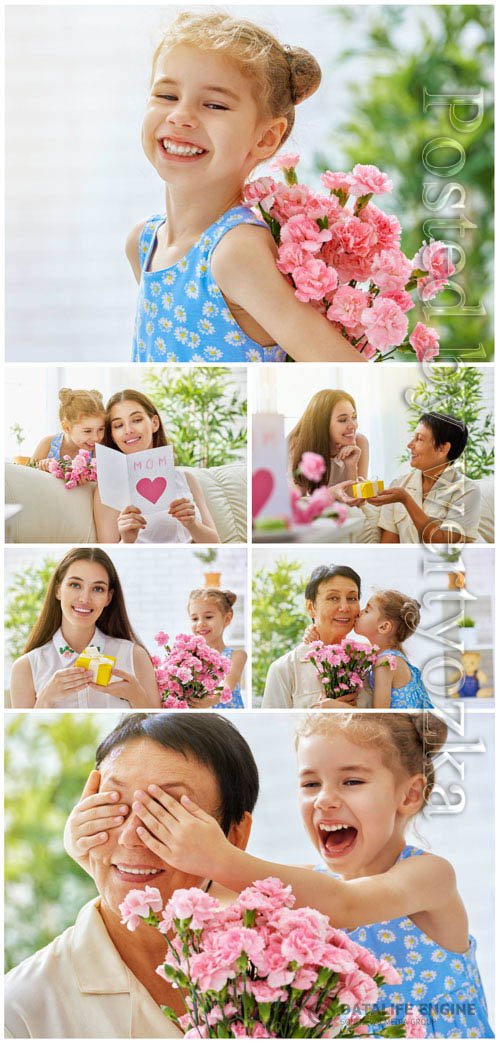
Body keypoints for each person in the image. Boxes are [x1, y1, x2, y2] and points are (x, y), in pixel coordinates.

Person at [115, 712, 494, 1039]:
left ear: (409, 795)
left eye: (352, 781)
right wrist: (98, 855)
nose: (324, 799)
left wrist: (217, 856)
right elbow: (192, 892)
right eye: (311, 783)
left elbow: (346, 904)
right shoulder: (305, 886)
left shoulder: (430, 875)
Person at [127, 11, 365, 365]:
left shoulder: (235, 251)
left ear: (266, 137)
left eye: (214, 105)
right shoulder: (143, 243)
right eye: (166, 95)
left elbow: (344, 367)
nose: (180, 116)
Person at [4, 713, 259, 1039]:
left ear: (235, 836)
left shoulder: (283, 955)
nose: (129, 837)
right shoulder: (21, 1009)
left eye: (164, 812)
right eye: (113, 806)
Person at [9, 548, 159, 709]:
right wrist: (46, 699)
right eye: (75, 585)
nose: (85, 598)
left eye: (98, 589)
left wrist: (136, 696)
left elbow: (156, 727)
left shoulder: (134, 656)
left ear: (108, 597)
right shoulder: (25, 668)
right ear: (58, 589)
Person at [93, 390, 219, 544]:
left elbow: (216, 544)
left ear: (154, 423)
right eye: (118, 425)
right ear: (112, 435)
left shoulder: (186, 478)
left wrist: (192, 524)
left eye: (137, 420)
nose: (128, 430)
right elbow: (109, 553)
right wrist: (127, 541)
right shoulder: (109, 489)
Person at [261, 565, 369, 709]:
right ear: (311, 607)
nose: (345, 607)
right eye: (333, 598)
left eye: (352, 598)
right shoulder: (284, 669)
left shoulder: (369, 662)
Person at [367, 412, 481, 544]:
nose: (410, 445)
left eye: (419, 439)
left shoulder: (467, 491)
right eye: (413, 438)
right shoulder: (398, 484)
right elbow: (389, 547)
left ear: (443, 448)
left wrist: (406, 499)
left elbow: (442, 544)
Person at [354, 591, 434, 708]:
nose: (359, 613)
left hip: (402, 726)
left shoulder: (385, 663)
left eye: (366, 611)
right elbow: (355, 648)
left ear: (384, 627)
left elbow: (380, 716)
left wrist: (340, 708)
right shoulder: (391, 654)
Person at [289, 389, 369, 493]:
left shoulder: (360, 442)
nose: (353, 425)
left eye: (354, 417)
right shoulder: (298, 446)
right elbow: (300, 500)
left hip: (347, 508)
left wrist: (351, 467)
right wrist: (332, 494)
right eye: (342, 420)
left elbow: (356, 501)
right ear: (322, 424)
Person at [187, 587, 246, 708]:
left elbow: (228, 684)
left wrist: (212, 700)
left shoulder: (236, 656)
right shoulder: (189, 658)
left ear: (227, 619)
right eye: (194, 619)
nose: (200, 623)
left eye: (208, 617)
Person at [30, 388, 105, 471]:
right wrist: (42, 468)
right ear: (67, 427)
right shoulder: (47, 444)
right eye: (87, 431)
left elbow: (99, 481)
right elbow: (26, 477)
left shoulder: (97, 449)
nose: (96, 438)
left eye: (101, 429)